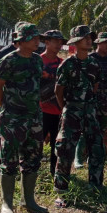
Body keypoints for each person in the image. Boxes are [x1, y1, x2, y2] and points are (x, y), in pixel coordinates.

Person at [0, 23, 47, 213]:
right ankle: (7, 204)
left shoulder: (37, 61)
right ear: (22, 40)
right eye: (33, 38)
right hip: (13, 118)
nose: (37, 41)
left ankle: (29, 201)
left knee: (33, 158)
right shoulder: (9, 60)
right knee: (9, 159)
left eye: (38, 38)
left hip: (34, 118)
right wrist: (6, 106)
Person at [54, 25, 105, 206]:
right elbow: (58, 90)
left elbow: (95, 87)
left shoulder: (94, 64)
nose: (89, 40)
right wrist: (66, 108)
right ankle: (62, 191)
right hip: (72, 111)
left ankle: (96, 186)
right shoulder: (67, 64)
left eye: (90, 37)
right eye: (85, 38)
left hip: (90, 110)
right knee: (65, 149)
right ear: (75, 42)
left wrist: (87, 104)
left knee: (97, 147)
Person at [75, 31, 107, 168]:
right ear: (98, 43)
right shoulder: (91, 58)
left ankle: (94, 156)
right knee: (86, 126)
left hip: (105, 96)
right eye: (106, 42)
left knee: (103, 126)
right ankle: (79, 157)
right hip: (90, 96)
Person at [0, 26, 22, 180]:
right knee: (1, 135)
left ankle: (15, 169)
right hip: (6, 102)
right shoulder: (4, 53)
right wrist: (4, 102)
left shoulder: (31, 54)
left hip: (23, 105)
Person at [39, 29, 66, 178]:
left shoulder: (62, 63)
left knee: (57, 145)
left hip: (58, 111)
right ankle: (31, 173)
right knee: (37, 144)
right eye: (55, 41)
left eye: (60, 42)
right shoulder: (37, 61)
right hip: (41, 110)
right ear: (47, 42)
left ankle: (55, 173)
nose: (58, 44)